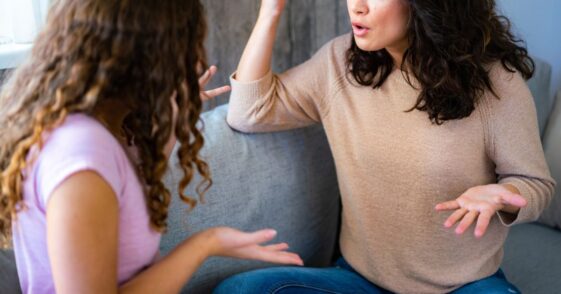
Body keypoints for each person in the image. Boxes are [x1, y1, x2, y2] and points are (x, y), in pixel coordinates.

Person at [214, 0, 556, 293]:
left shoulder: (496, 83)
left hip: (465, 285)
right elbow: (248, 112)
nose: (356, 7)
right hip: (360, 281)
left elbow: (536, 184)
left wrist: (504, 194)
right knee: (241, 290)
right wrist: (271, 11)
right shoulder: (339, 63)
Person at [0, 0, 303, 293]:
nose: (195, 62)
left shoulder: (88, 134)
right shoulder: (81, 154)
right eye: (183, 46)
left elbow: (125, 208)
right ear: (147, 55)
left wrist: (172, 118)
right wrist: (205, 244)